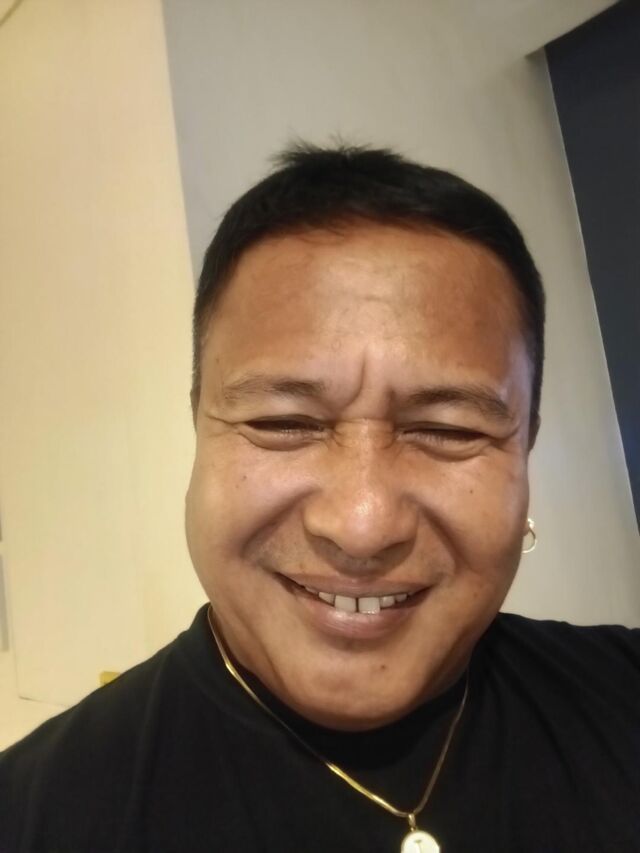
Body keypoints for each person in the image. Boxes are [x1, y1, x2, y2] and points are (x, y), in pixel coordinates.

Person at [1, 143, 638, 853]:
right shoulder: (31, 817)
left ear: (526, 448)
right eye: (283, 423)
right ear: (198, 423)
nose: (362, 525)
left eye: (449, 429)